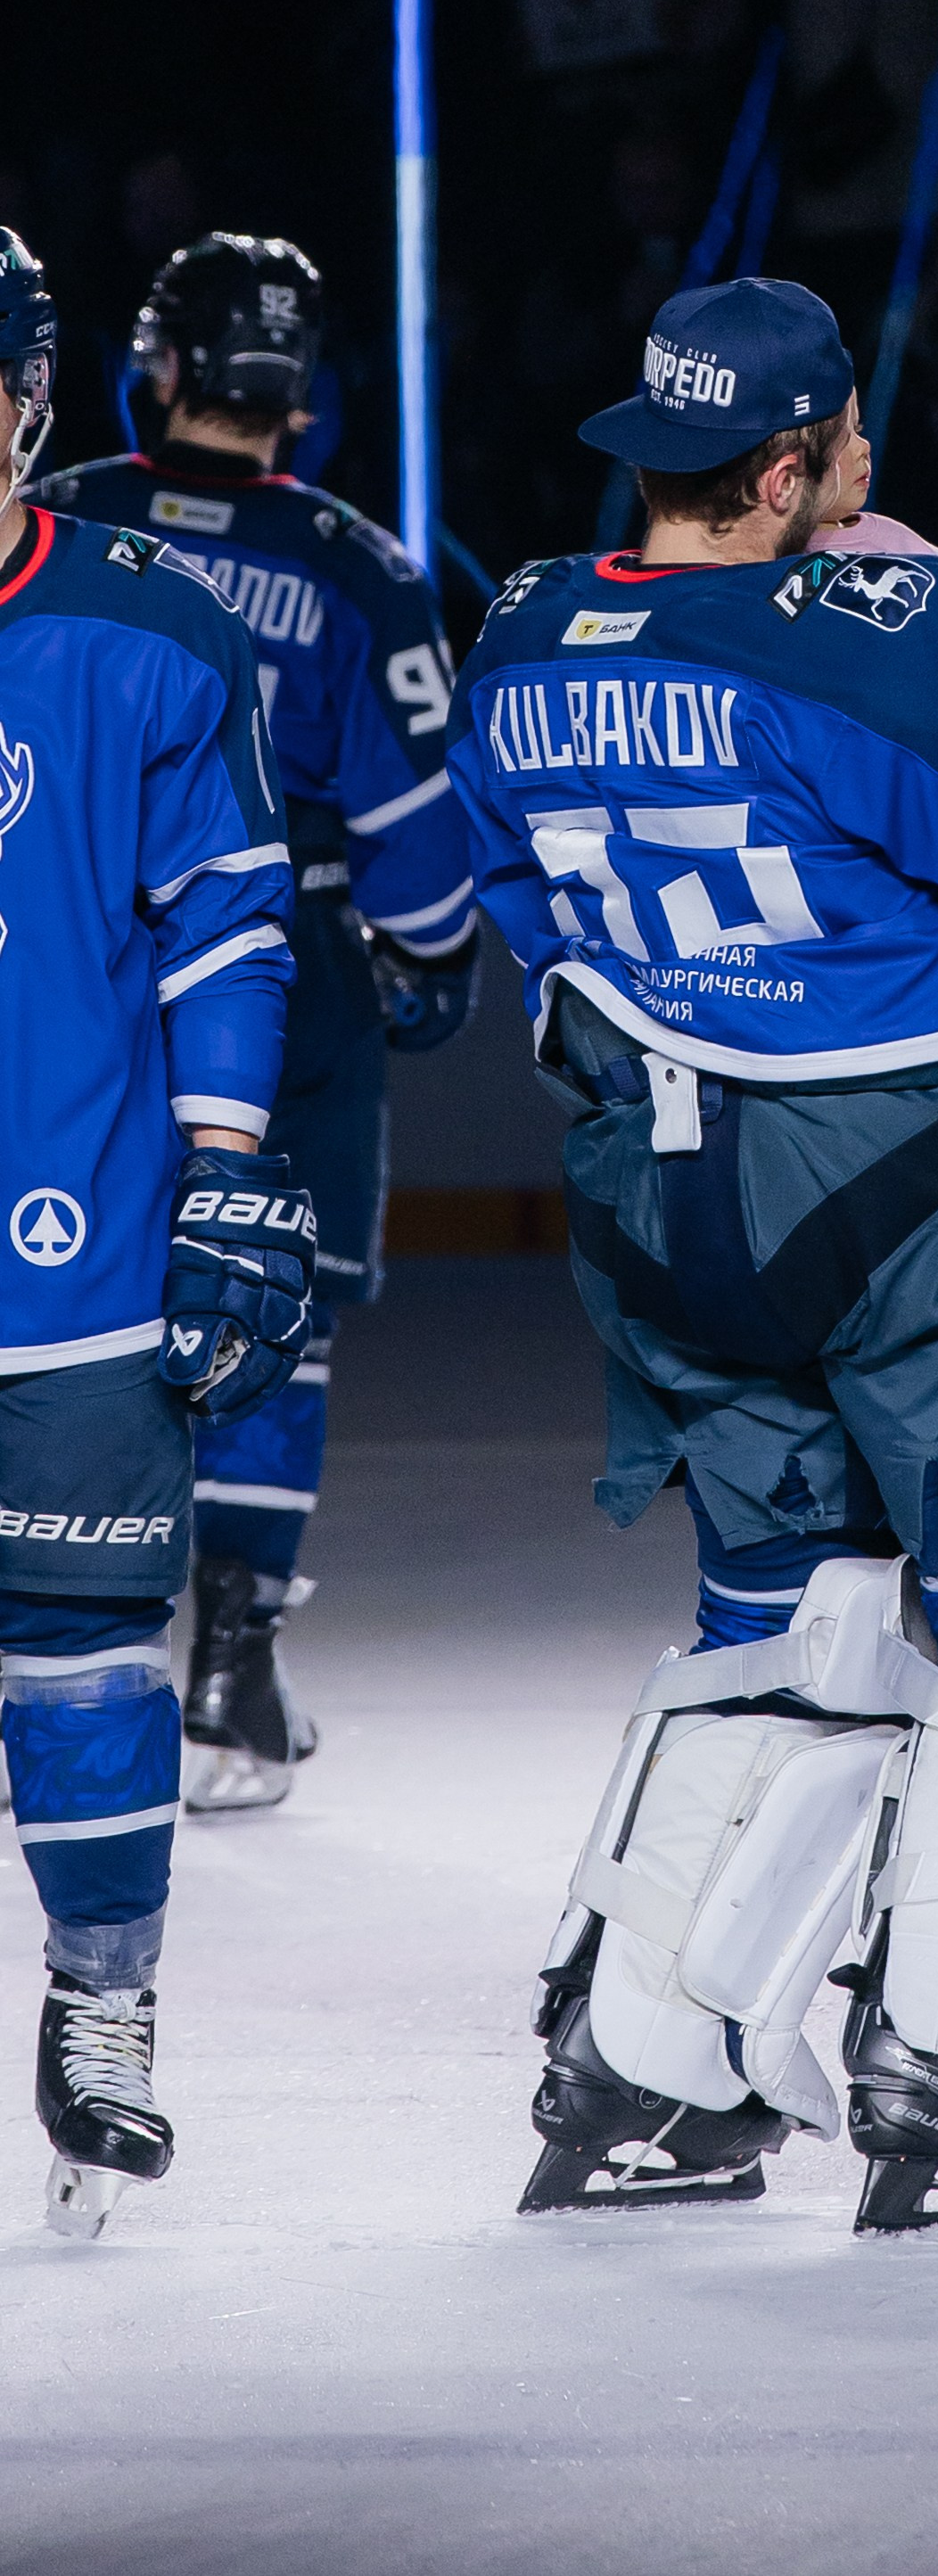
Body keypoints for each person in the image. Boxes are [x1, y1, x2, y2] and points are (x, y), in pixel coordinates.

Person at [447, 274, 938, 2229]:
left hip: (667, 1185)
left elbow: (518, 919)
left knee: (780, 1617)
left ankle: (644, 2057)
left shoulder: (530, 628)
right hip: (932, 1173)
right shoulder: (893, 629)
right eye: (851, 440)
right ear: (795, 462)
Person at [45, 237, 478, 1810]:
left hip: (70, 927)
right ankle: (229, 1669)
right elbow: (417, 833)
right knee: (266, 1291)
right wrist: (428, 956)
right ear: (303, 395)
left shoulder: (65, 514)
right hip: (276, 941)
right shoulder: (358, 561)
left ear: (156, 365)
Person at [0, 232, 312, 2234]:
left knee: (85, 1651)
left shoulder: (146, 625)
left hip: (73, 1238)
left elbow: (226, 918)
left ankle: (100, 2006)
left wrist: (219, 1169)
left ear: (29, 399)